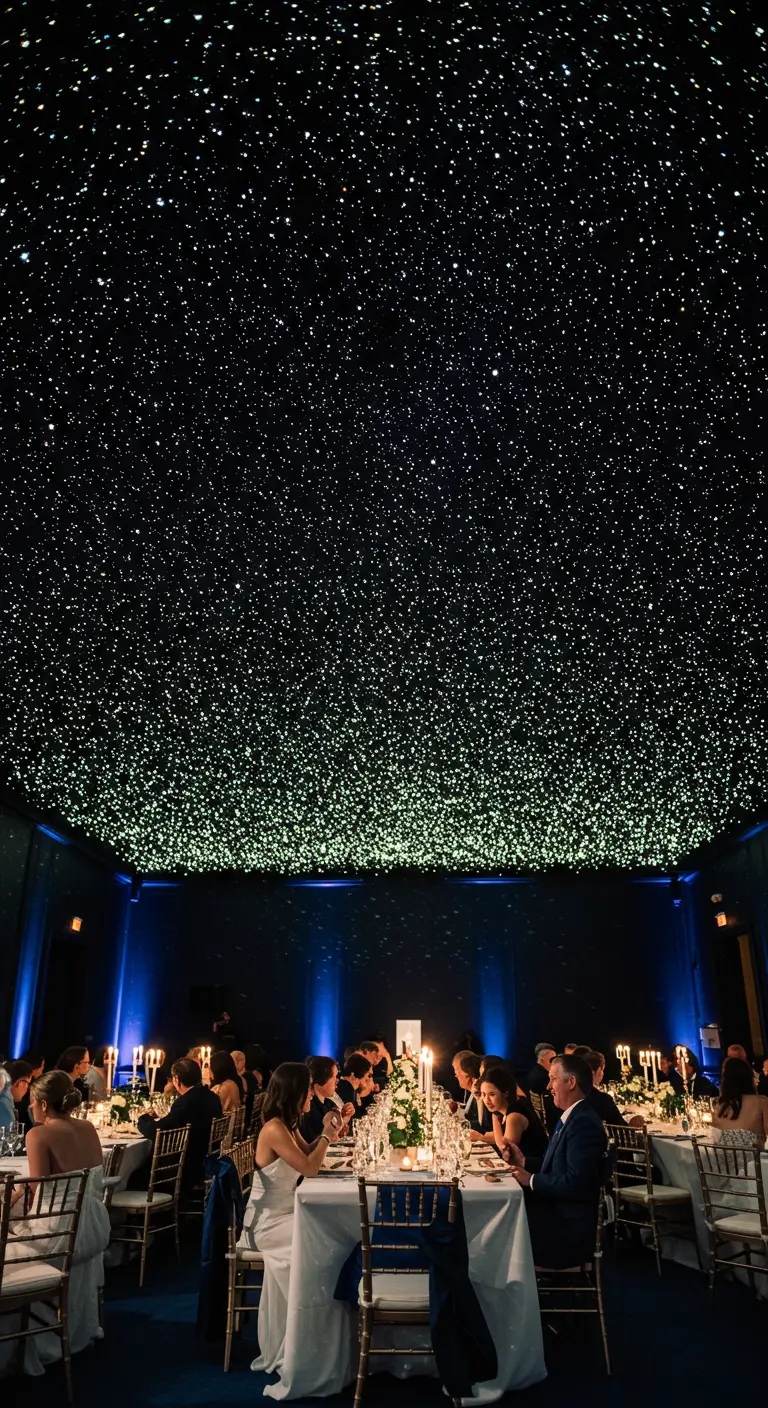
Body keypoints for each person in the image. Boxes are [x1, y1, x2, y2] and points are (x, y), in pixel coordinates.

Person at [0, 1070, 110, 1373]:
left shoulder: (38, 1135)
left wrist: (12, 1197)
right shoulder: (88, 1127)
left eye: (33, 1102)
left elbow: (39, 1189)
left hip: (57, 1235)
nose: (29, 1107)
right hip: (91, 1226)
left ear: (44, 1104)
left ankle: (17, 1341)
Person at [238, 1063, 341, 1375]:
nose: (311, 1094)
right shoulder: (273, 1129)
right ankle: (308, 1334)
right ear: (294, 1092)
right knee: (324, 1246)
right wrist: (326, 1134)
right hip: (266, 1224)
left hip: (285, 1214)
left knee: (331, 1237)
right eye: (307, 1089)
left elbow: (307, 1153)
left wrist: (329, 1132)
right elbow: (309, 1168)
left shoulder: (287, 1124)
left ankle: (319, 1331)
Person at [501, 1053, 608, 1269]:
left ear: (571, 1082)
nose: (548, 1086)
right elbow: (558, 1167)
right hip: (556, 1213)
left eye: (553, 1079)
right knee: (501, 1215)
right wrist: (524, 1162)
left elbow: (576, 1183)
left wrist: (531, 1180)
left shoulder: (583, 1123)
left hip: (567, 1228)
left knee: (501, 1223)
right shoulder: (572, 1117)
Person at [137, 1057, 222, 1189]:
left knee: (135, 1176)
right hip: (207, 1158)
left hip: (184, 1168)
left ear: (176, 1079)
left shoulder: (185, 1102)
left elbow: (157, 1131)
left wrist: (143, 1118)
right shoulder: (212, 1097)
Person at [478, 1064, 548, 1161]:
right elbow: (500, 1142)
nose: (487, 1100)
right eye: (483, 1094)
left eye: (492, 1094)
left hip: (533, 1167)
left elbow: (506, 1152)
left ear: (505, 1093)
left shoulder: (514, 1115)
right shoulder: (501, 1111)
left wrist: (481, 1136)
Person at [712, 1058, 768, 1144]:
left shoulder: (719, 1106)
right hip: (754, 1153)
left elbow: (715, 1140)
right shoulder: (761, 1102)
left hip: (724, 1153)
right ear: (749, 1077)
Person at [299, 1056, 355, 1141]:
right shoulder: (308, 1109)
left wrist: (342, 1120)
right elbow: (317, 1142)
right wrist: (341, 1123)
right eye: (334, 1077)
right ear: (319, 1083)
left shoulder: (329, 1103)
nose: (337, 1081)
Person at [583, 1050, 642, 1129]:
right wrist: (633, 1124)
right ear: (598, 1071)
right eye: (602, 1069)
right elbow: (621, 1129)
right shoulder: (603, 1099)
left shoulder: (572, 1094)